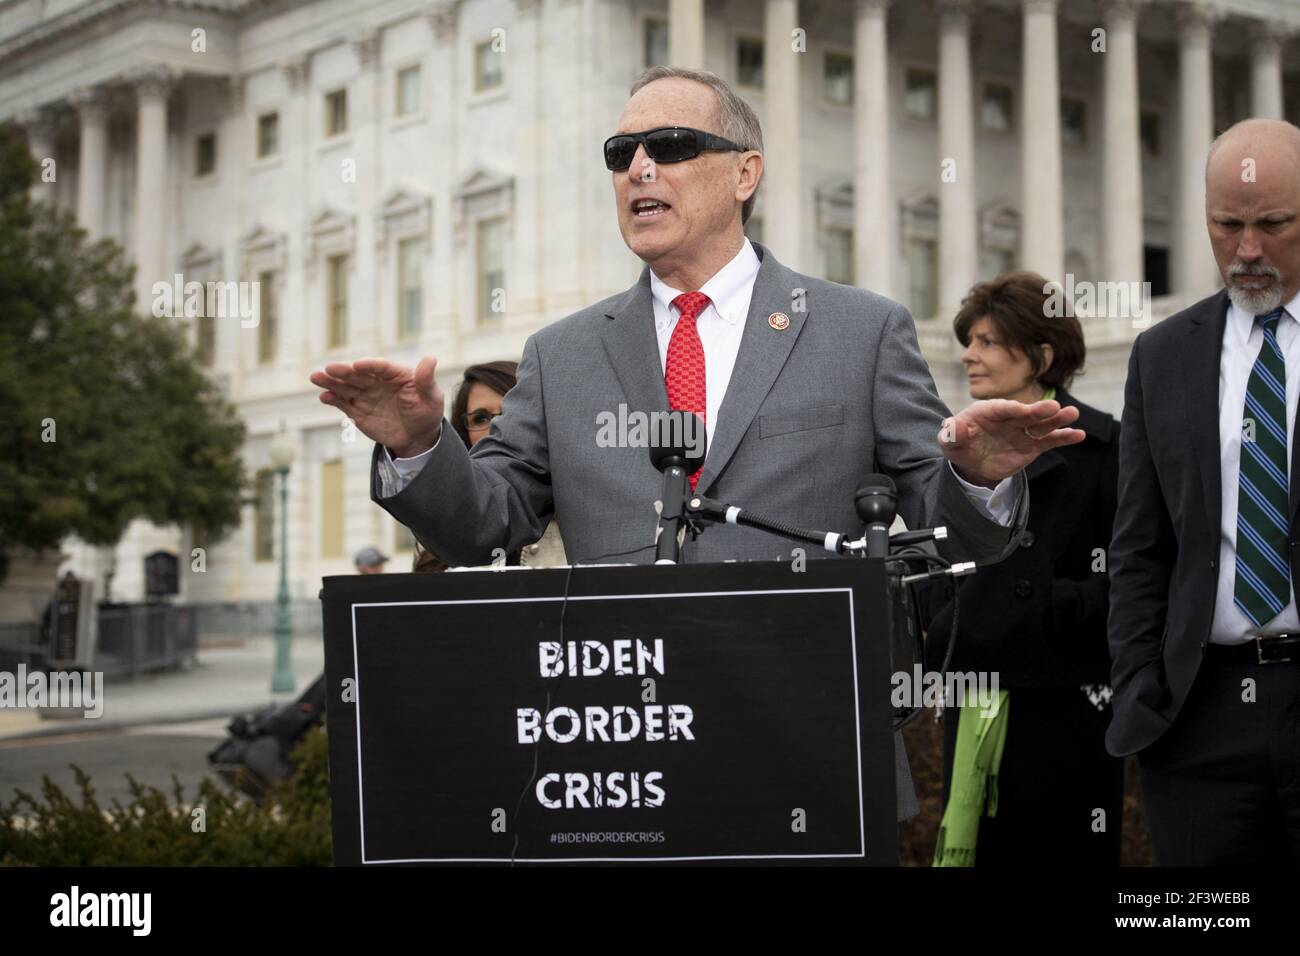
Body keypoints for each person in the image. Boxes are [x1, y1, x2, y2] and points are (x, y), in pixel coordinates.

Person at [313, 66, 1083, 819]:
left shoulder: (861, 331)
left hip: (807, 756)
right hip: (621, 765)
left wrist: (978, 480)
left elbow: (937, 524)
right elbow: (486, 523)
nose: (638, 167)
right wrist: (419, 446)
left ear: (745, 173)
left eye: (672, 144)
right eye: (621, 153)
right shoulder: (562, 354)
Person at [1108, 117, 1300, 865]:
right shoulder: (1162, 355)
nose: (1247, 250)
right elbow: (1138, 547)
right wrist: (1139, 689)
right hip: (1198, 718)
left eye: (1274, 225)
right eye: (1227, 225)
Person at [926, 271, 1122, 866]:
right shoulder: (958, 444)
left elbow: (1133, 574)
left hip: (1065, 706)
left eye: (987, 341)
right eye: (970, 340)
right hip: (975, 689)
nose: (968, 354)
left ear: (1041, 354)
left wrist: (1051, 609)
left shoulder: (1104, 446)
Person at [412, 360, 566, 571]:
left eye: (508, 415)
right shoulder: (441, 527)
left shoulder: (578, 520)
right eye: (480, 418)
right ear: (463, 436)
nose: (495, 426)